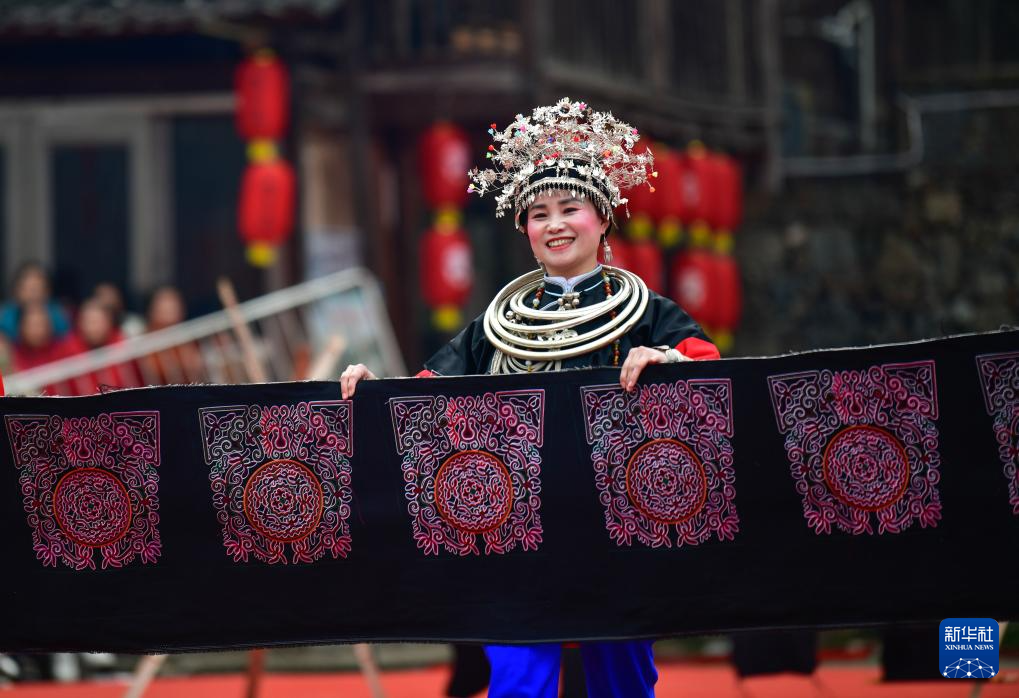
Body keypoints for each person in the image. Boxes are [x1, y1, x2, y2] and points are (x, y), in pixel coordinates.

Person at [341, 97, 719, 697]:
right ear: (525, 231)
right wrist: (370, 388)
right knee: (518, 676)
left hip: (616, 520)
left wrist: (665, 360)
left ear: (603, 219)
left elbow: (711, 370)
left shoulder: (649, 314)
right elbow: (420, 399)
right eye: (539, 214)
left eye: (570, 208)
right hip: (519, 523)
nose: (555, 224)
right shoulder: (494, 328)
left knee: (622, 676)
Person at [0, 262, 71, 341]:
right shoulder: (6, 316)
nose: (33, 295)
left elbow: (65, 339)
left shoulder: (57, 314)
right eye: (28, 289)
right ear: (17, 291)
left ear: (47, 291)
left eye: (37, 288)